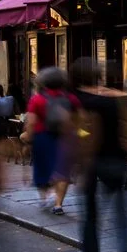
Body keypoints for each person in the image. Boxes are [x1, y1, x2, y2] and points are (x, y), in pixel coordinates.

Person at [72, 61, 127, 252]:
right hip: (116, 160)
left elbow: (81, 134)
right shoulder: (115, 98)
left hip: (92, 163)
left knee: (90, 218)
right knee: (122, 217)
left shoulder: (80, 101)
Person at [24, 67, 79, 215]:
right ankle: (58, 204)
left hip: (43, 137)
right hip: (65, 137)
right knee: (63, 170)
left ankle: (43, 198)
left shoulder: (37, 99)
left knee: (42, 168)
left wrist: (28, 138)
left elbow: (31, 122)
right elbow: (79, 119)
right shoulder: (70, 98)